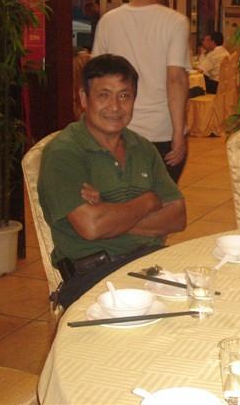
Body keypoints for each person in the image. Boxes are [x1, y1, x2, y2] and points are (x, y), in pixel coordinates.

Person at [38, 54, 187, 308]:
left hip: (150, 264)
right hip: (93, 277)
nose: (115, 107)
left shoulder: (143, 147)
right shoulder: (64, 153)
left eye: (124, 96)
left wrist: (109, 214)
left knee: (206, 302)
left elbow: (178, 217)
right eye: (104, 95)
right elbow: (92, 227)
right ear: (84, 98)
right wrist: (148, 201)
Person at [92, 0, 190, 182]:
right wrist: (178, 132)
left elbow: (96, 79)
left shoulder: (108, 21)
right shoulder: (175, 22)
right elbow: (175, 79)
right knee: (160, 197)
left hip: (117, 126)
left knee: (120, 195)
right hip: (160, 129)